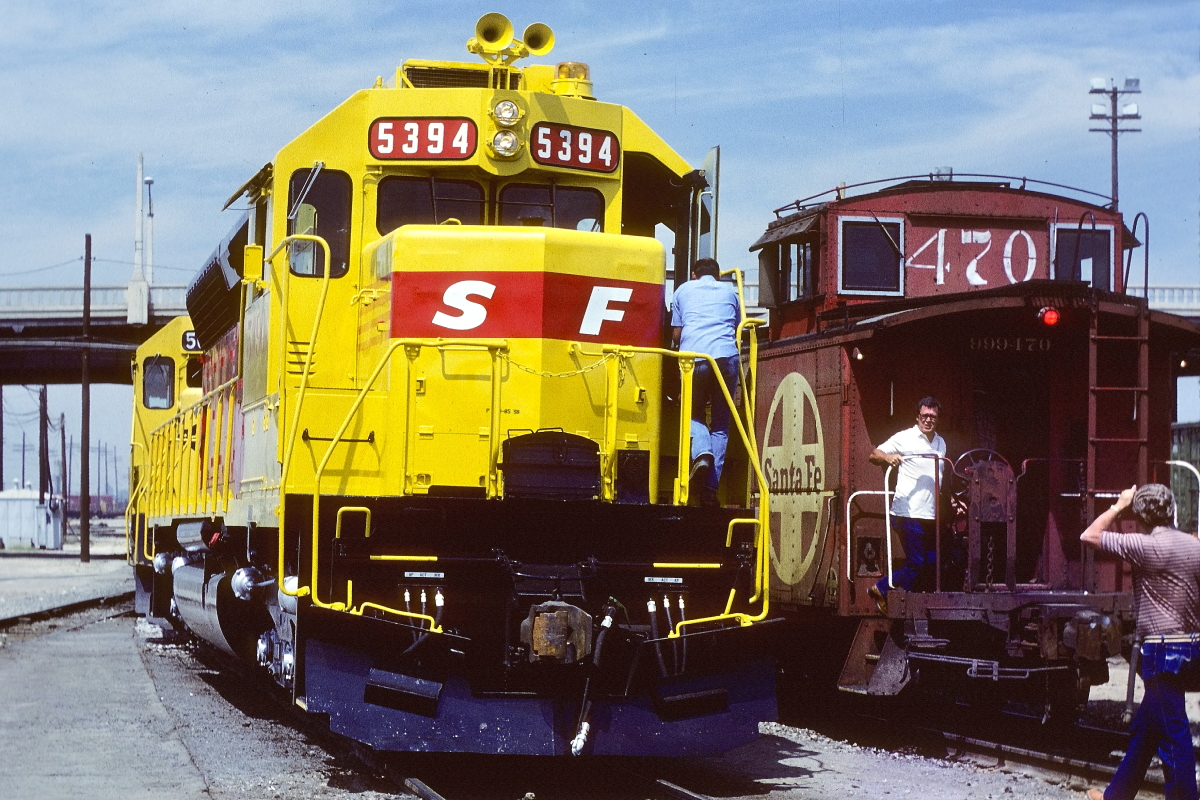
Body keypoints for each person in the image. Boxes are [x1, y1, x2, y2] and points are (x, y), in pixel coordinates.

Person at [1081, 484, 1200, 800]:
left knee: (1174, 736)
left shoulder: (1144, 546)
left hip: (1161, 652)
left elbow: (1089, 536)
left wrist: (1119, 506)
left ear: (1141, 516)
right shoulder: (1194, 546)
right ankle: (1116, 796)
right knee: (1147, 729)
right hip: (1192, 648)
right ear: (1172, 510)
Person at [670, 257, 741, 505]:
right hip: (727, 357)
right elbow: (737, 325)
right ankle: (710, 490)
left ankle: (701, 453)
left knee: (692, 412)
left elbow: (677, 335)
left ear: (693, 274)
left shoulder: (682, 290)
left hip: (695, 358)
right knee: (721, 423)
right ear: (718, 276)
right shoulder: (731, 292)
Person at [867, 397, 947, 615]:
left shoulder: (940, 443)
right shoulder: (906, 437)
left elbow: (938, 478)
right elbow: (874, 454)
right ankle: (884, 589)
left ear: (937, 419)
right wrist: (889, 456)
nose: (928, 420)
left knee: (932, 560)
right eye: (924, 416)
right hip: (907, 512)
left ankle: (896, 594)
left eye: (932, 416)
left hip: (930, 514)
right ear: (917, 417)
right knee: (917, 561)